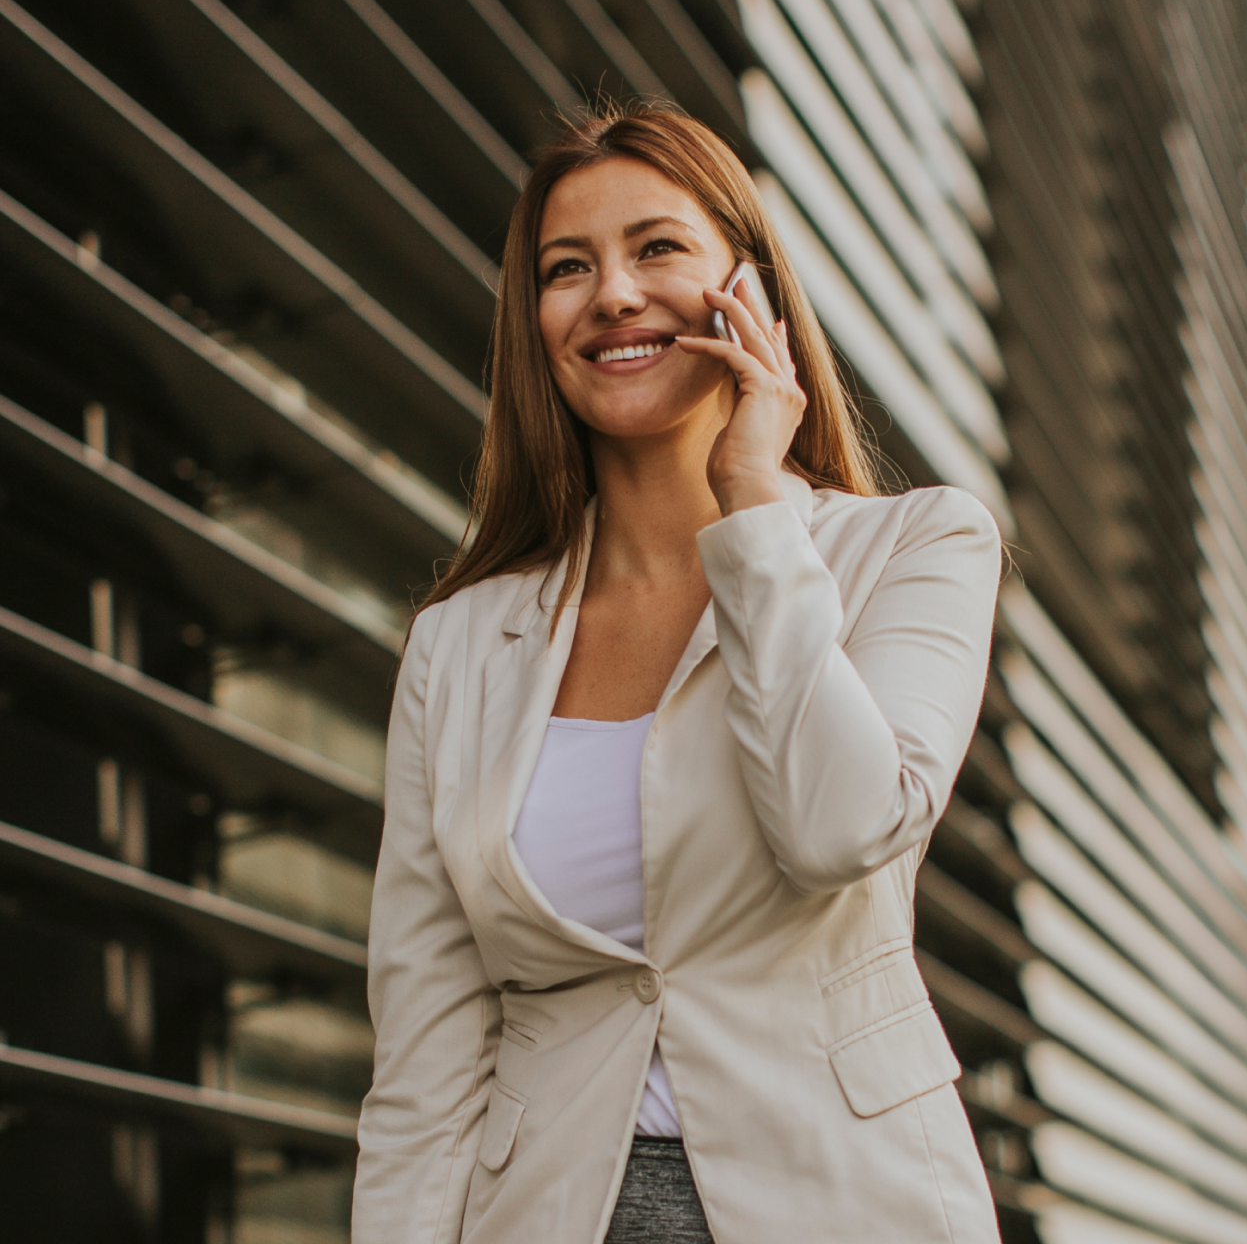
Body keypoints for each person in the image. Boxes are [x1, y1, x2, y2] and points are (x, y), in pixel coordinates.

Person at [352, 102, 1003, 1243]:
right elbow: (427, 1053)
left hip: (847, 1201)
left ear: (747, 288)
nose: (612, 294)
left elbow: (837, 829)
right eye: (569, 268)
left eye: (658, 247)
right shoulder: (459, 646)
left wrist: (756, 504)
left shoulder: (915, 546)